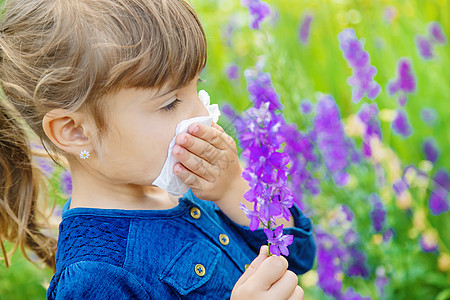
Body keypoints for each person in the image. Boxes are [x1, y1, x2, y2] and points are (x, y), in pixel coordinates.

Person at [0, 0, 315, 299]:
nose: (200, 115)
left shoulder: (183, 184)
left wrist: (233, 186)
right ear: (76, 132)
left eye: (197, 85)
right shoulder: (95, 277)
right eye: (170, 103)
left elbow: (297, 257)